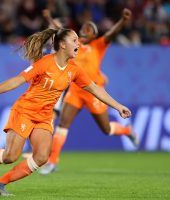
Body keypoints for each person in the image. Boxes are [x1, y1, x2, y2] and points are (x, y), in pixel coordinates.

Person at [0, 28, 132, 196]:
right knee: (10, 157)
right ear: (62, 44)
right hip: (25, 111)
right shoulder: (45, 63)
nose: (78, 43)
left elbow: (95, 89)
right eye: (74, 40)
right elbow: (17, 80)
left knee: (42, 157)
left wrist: (118, 106)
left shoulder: (74, 69)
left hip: (44, 117)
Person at [39, 8, 138, 175]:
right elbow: (60, 31)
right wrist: (49, 17)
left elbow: (112, 33)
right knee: (63, 125)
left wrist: (122, 20)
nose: (84, 31)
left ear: (94, 35)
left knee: (106, 130)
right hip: (76, 91)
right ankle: (52, 162)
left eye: (89, 30)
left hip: (94, 92)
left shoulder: (98, 46)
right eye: (83, 28)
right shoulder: (74, 46)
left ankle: (127, 130)